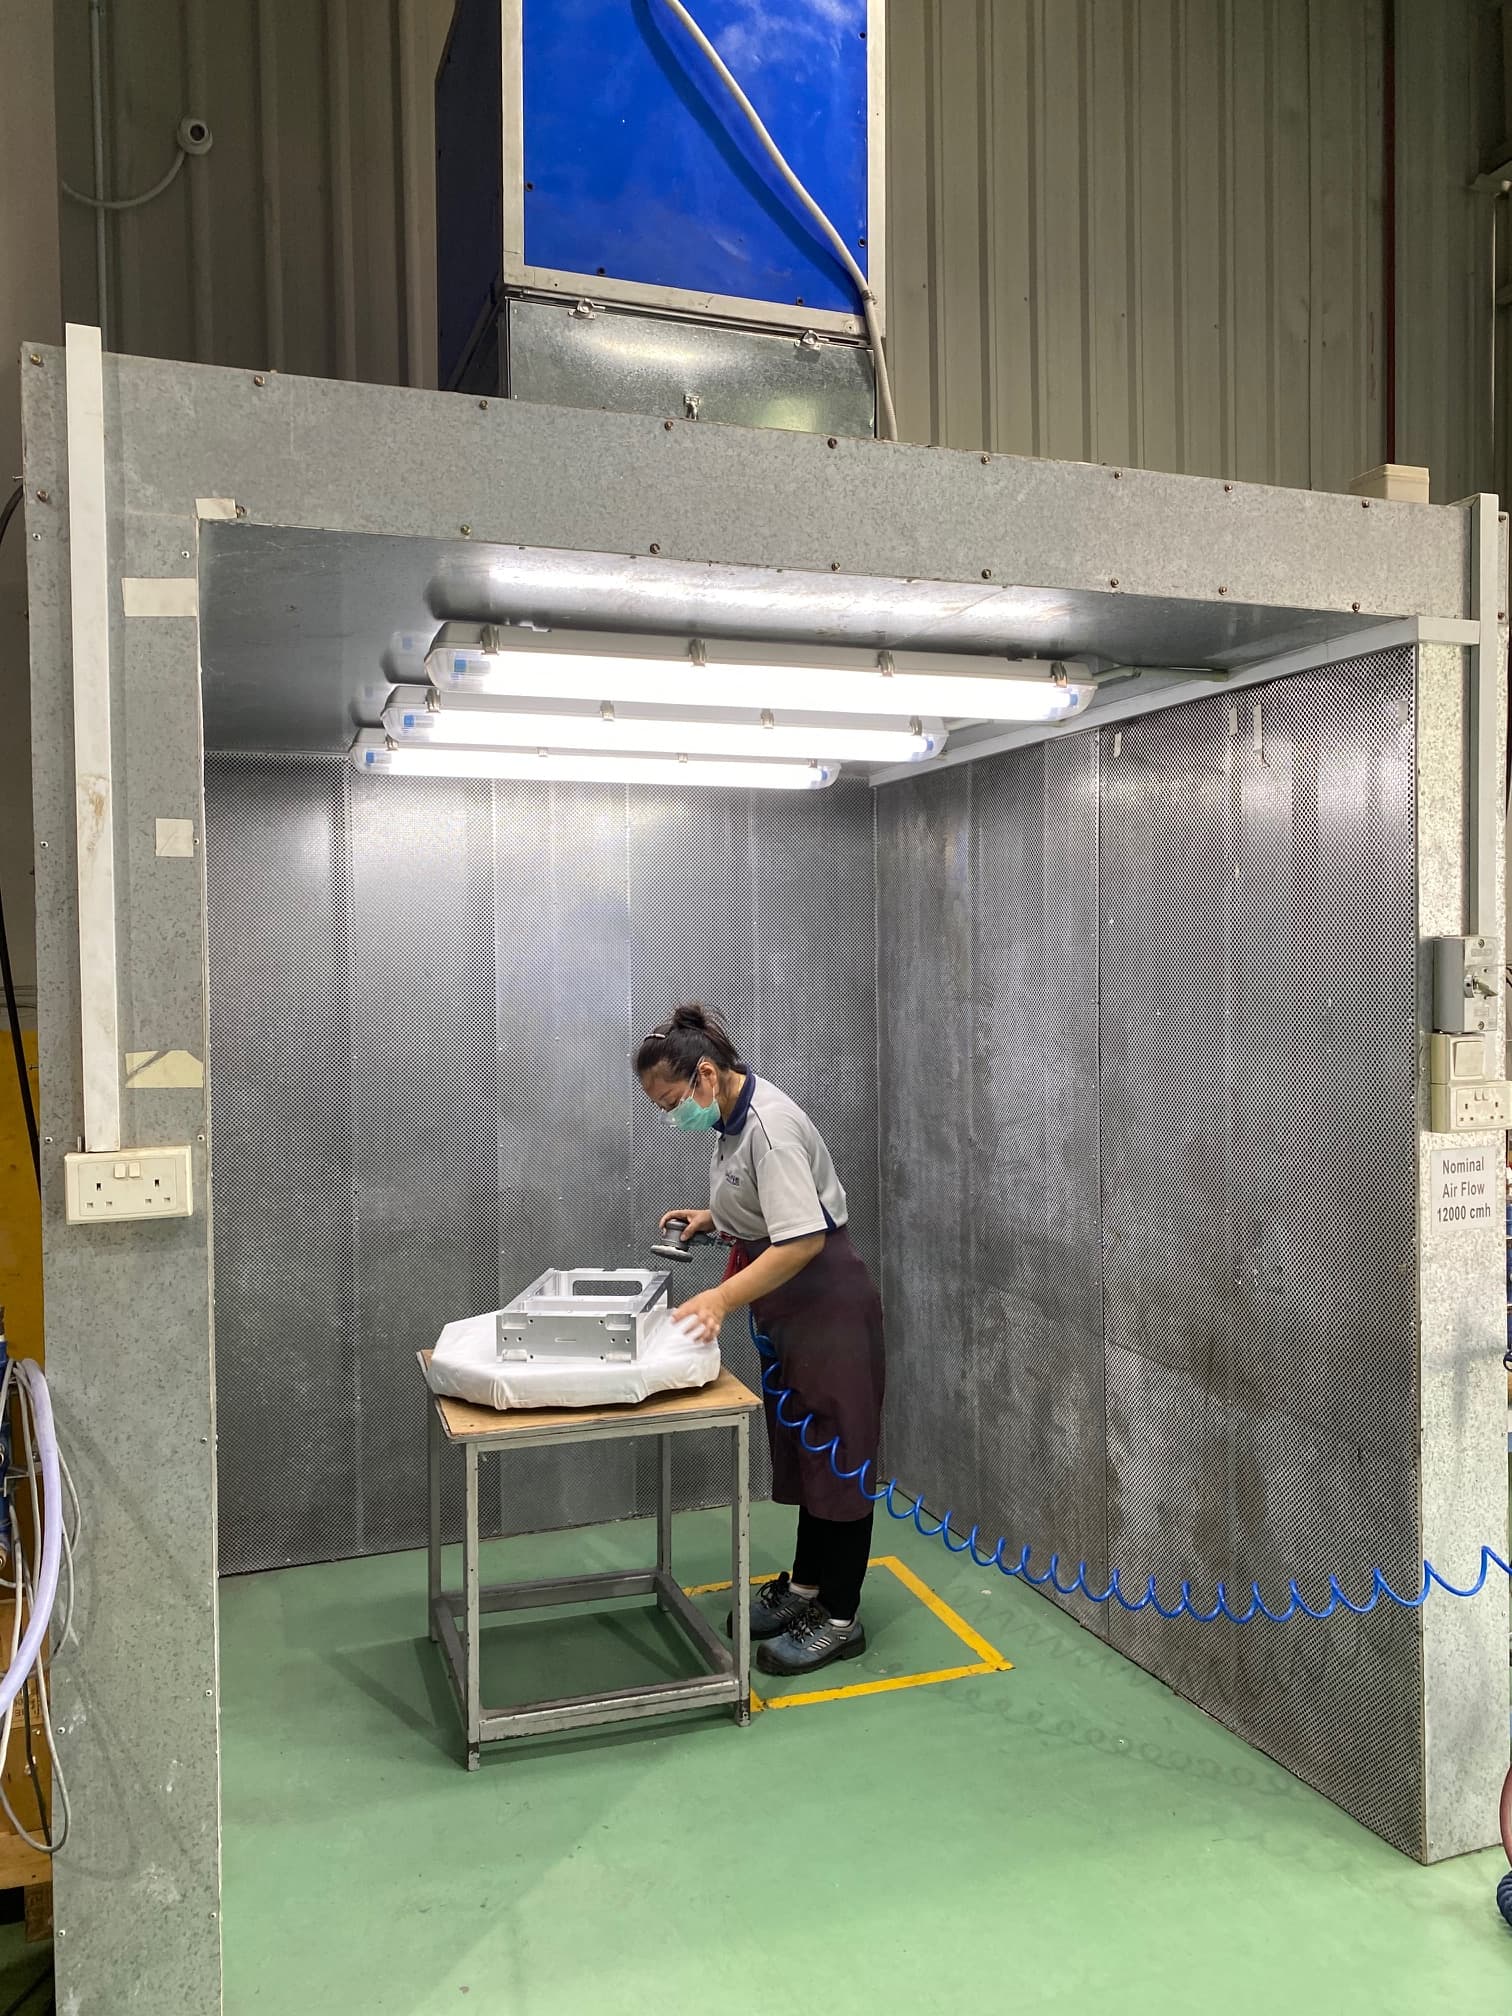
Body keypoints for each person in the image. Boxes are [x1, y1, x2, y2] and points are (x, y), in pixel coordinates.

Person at [636, 1003, 886, 1676]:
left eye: (671, 1102)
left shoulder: (769, 1126)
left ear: (707, 1075)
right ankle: (806, 1584)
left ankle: (839, 1616)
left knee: (838, 1457)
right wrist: (713, 1219)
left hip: (825, 1300)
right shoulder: (731, 1118)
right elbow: (767, 1209)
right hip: (787, 1302)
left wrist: (719, 1297)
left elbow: (801, 1236)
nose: (671, 1116)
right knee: (806, 1452)